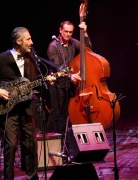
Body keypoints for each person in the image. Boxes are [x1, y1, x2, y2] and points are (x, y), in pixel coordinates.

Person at [0, 27, 55, 180]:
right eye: (28, 39)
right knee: (11, 145)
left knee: (31, 145)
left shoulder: (31, 58)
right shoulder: (1, 58)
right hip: (9, 109)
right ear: (18, 41)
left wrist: (47, 81)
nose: (32, 42)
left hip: (27, 107)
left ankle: (32, 177)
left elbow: (33, 83)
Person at [46, 20, 92, 161]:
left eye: (70, 32)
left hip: (69, 85)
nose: (68, 34)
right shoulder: (53, 46)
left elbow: (88, 49)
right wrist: (71, 75)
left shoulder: (73, 42)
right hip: (57, 84)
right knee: (56, 114)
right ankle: (51, 145)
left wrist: (85, 33)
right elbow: (58, 66)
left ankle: (66, 146)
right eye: (65, 31)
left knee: (67, 115)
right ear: (60, 30)